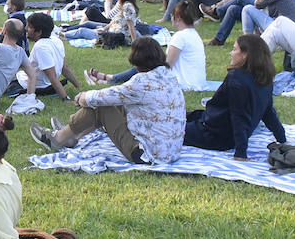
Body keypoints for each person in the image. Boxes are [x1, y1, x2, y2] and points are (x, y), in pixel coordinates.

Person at [31, 37, 185, 165]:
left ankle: (58, 139)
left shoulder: (142, 82)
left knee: (101, 106)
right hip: (170, 151)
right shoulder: (168, 76)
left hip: (146, 154)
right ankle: (73, 135)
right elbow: (119, 94)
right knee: (112, 102)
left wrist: (83, 97)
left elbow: (100, 98)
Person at [183, 34, 286, 160]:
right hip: (217, 122)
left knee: (163, 128)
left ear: (245, 54)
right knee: (183, 114)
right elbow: (268, 112)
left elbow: (239, 116)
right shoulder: (264, 78)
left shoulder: (236, 78)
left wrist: (240, 154)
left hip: (215, 135)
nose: (231, 53)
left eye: (234, 49)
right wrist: (282, 139)